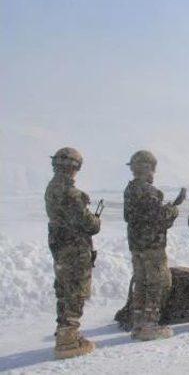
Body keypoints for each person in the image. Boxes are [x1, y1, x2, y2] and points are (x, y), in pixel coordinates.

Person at [45, 147, 101, 359]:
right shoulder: (71, 193)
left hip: (60, 247)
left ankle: (64, 331)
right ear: (74, 167)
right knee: (76, 290)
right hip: (75, 248)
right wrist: (95, 220)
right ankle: (68, 340)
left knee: (64, 287)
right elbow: (89, 224)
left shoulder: (51, 188)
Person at [124, 150, 185, 340]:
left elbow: (135, 216)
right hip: (152, 246)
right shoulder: (149, 191)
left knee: (141, 283)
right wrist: (174, 209)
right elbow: (159, 218)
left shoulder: (130, 189)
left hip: (137, 245)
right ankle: (150, 324)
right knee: (157, 283)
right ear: (149, 168)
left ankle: (138, 324)